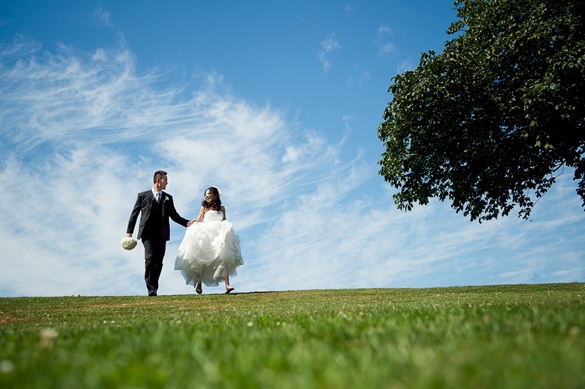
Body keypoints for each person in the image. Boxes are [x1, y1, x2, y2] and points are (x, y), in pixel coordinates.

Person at [126, 171, 195, 296]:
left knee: (158, 261)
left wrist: (188, 223)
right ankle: (151, 288)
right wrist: (129, 232)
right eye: (165, 180)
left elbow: (174, 216)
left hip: (162, 234)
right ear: (158, 180)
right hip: (147, 234)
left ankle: (154, 287)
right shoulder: (143, 196)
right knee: (150, 258)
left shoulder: (168, 198)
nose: (167, 183)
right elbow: (134, 214)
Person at [174, 186, 244, 294]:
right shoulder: (204, 208)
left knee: (223, 257)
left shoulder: (222, 208)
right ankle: (199, 283)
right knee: (202, 258)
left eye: (209, 194)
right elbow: (200, 220)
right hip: (207, 235)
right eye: (205, 194)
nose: (206, 196)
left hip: (219, 235)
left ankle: (227, 285)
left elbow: (224, 220)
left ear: (215, 195)